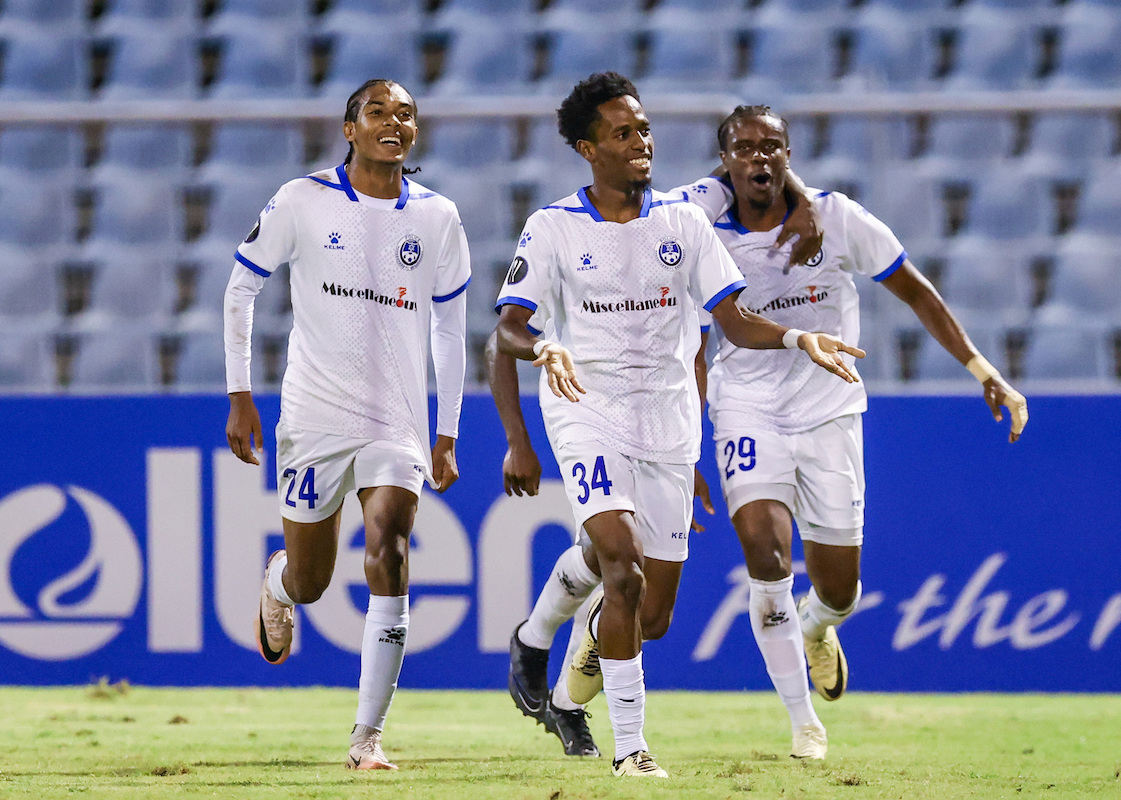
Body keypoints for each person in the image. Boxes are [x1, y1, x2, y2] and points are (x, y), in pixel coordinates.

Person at [492, 72, 863, 779]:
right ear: (586, 148)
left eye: (645, 130)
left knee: (650, 613)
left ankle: (550, 659)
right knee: (622, 568)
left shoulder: (683, 224)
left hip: (668, 419)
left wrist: (794, 338)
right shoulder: (554, 227)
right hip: (585, 408)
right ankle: (632, 750)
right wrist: (542, 347)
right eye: (623, 133)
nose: (641, 143)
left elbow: (732, 319)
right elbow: (506, 330)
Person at [681, 105, 1030, 758]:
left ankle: (818, 628)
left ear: (790, 155)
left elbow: (916, 290)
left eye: (773, 146)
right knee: (766, 553)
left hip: (830, 412)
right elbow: (698, 342)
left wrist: (983, 369)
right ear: (724, 159)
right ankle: (803, 723)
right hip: (746, 408)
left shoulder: (835, 218)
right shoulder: (702, 228)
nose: (760, 158)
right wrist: (688, 443)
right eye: (745, 147)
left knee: (838, 588)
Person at [223, 79, 470, 771]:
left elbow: (451, 330)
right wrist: (240, 394)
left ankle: (367, 739)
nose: (394, 122)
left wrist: (445, 428)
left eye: (405, 114)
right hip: (314, 416)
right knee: (312, 580)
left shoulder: (439, 217)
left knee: (390, 549)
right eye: (378, 112)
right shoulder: (303, 199)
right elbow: (242, 285)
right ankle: (280, 583)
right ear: (350, 129)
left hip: (395, 419)